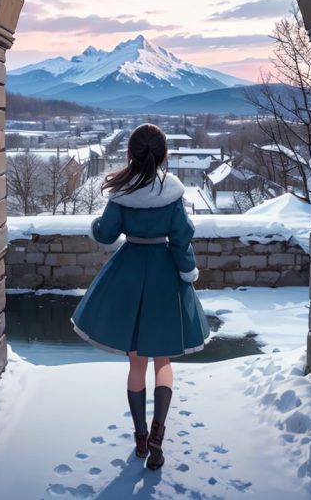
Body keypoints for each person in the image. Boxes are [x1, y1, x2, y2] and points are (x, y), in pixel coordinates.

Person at [70, 123, 211, 470]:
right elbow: (181, 240)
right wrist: (187, 272)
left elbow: (106, 234)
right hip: (165, 277)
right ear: (163, 154)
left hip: (129, 274)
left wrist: (95, 226)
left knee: (136, 364)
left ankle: (140, 439)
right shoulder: (174, 192)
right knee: (163, 361)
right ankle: (159, 437)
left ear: (131, 153)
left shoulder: (121, 192)